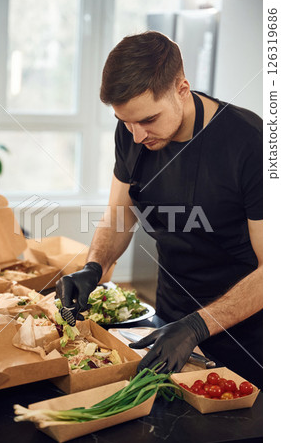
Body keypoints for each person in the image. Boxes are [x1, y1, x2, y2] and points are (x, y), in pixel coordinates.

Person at [56, 31, 263, 388]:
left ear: (182, 88)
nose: (137, 136)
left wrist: (197, 326)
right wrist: (94, 266)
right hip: (168, 321)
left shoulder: (250, 143)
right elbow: (120, 215)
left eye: (148, 120)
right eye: (126, 122)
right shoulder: (133, 132)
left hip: (244, 336)